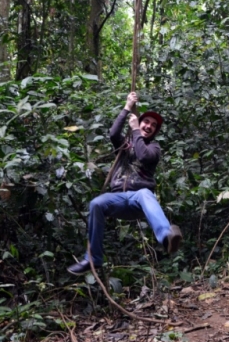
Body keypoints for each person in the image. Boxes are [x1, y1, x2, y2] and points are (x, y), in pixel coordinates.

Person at [68, 92, 182, 275]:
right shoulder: (125, 143)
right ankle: (92, 259)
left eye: (154, 125)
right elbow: (113, 133)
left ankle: (166, 238)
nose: (149, 126)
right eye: (146, 122)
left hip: (139, 199)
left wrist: (136, 130)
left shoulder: (154, 148)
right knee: (96, 203)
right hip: (118, 198)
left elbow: (143, 155)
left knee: (146, 193)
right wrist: (127, 107)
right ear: (139, 121)